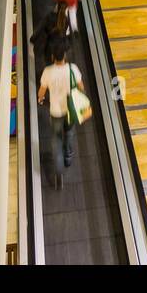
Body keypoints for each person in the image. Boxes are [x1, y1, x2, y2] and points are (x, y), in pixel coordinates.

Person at [37, 39, 83, 188]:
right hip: (70, 111)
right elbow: (81, 88)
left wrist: (41, 99)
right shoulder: (73, 69)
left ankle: (58, 171)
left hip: (55, 112)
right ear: (65, 56)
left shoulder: (47, 72)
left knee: (56, 140)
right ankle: (68, 157)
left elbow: (41, 92)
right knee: (69, 134)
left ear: (52, 56)